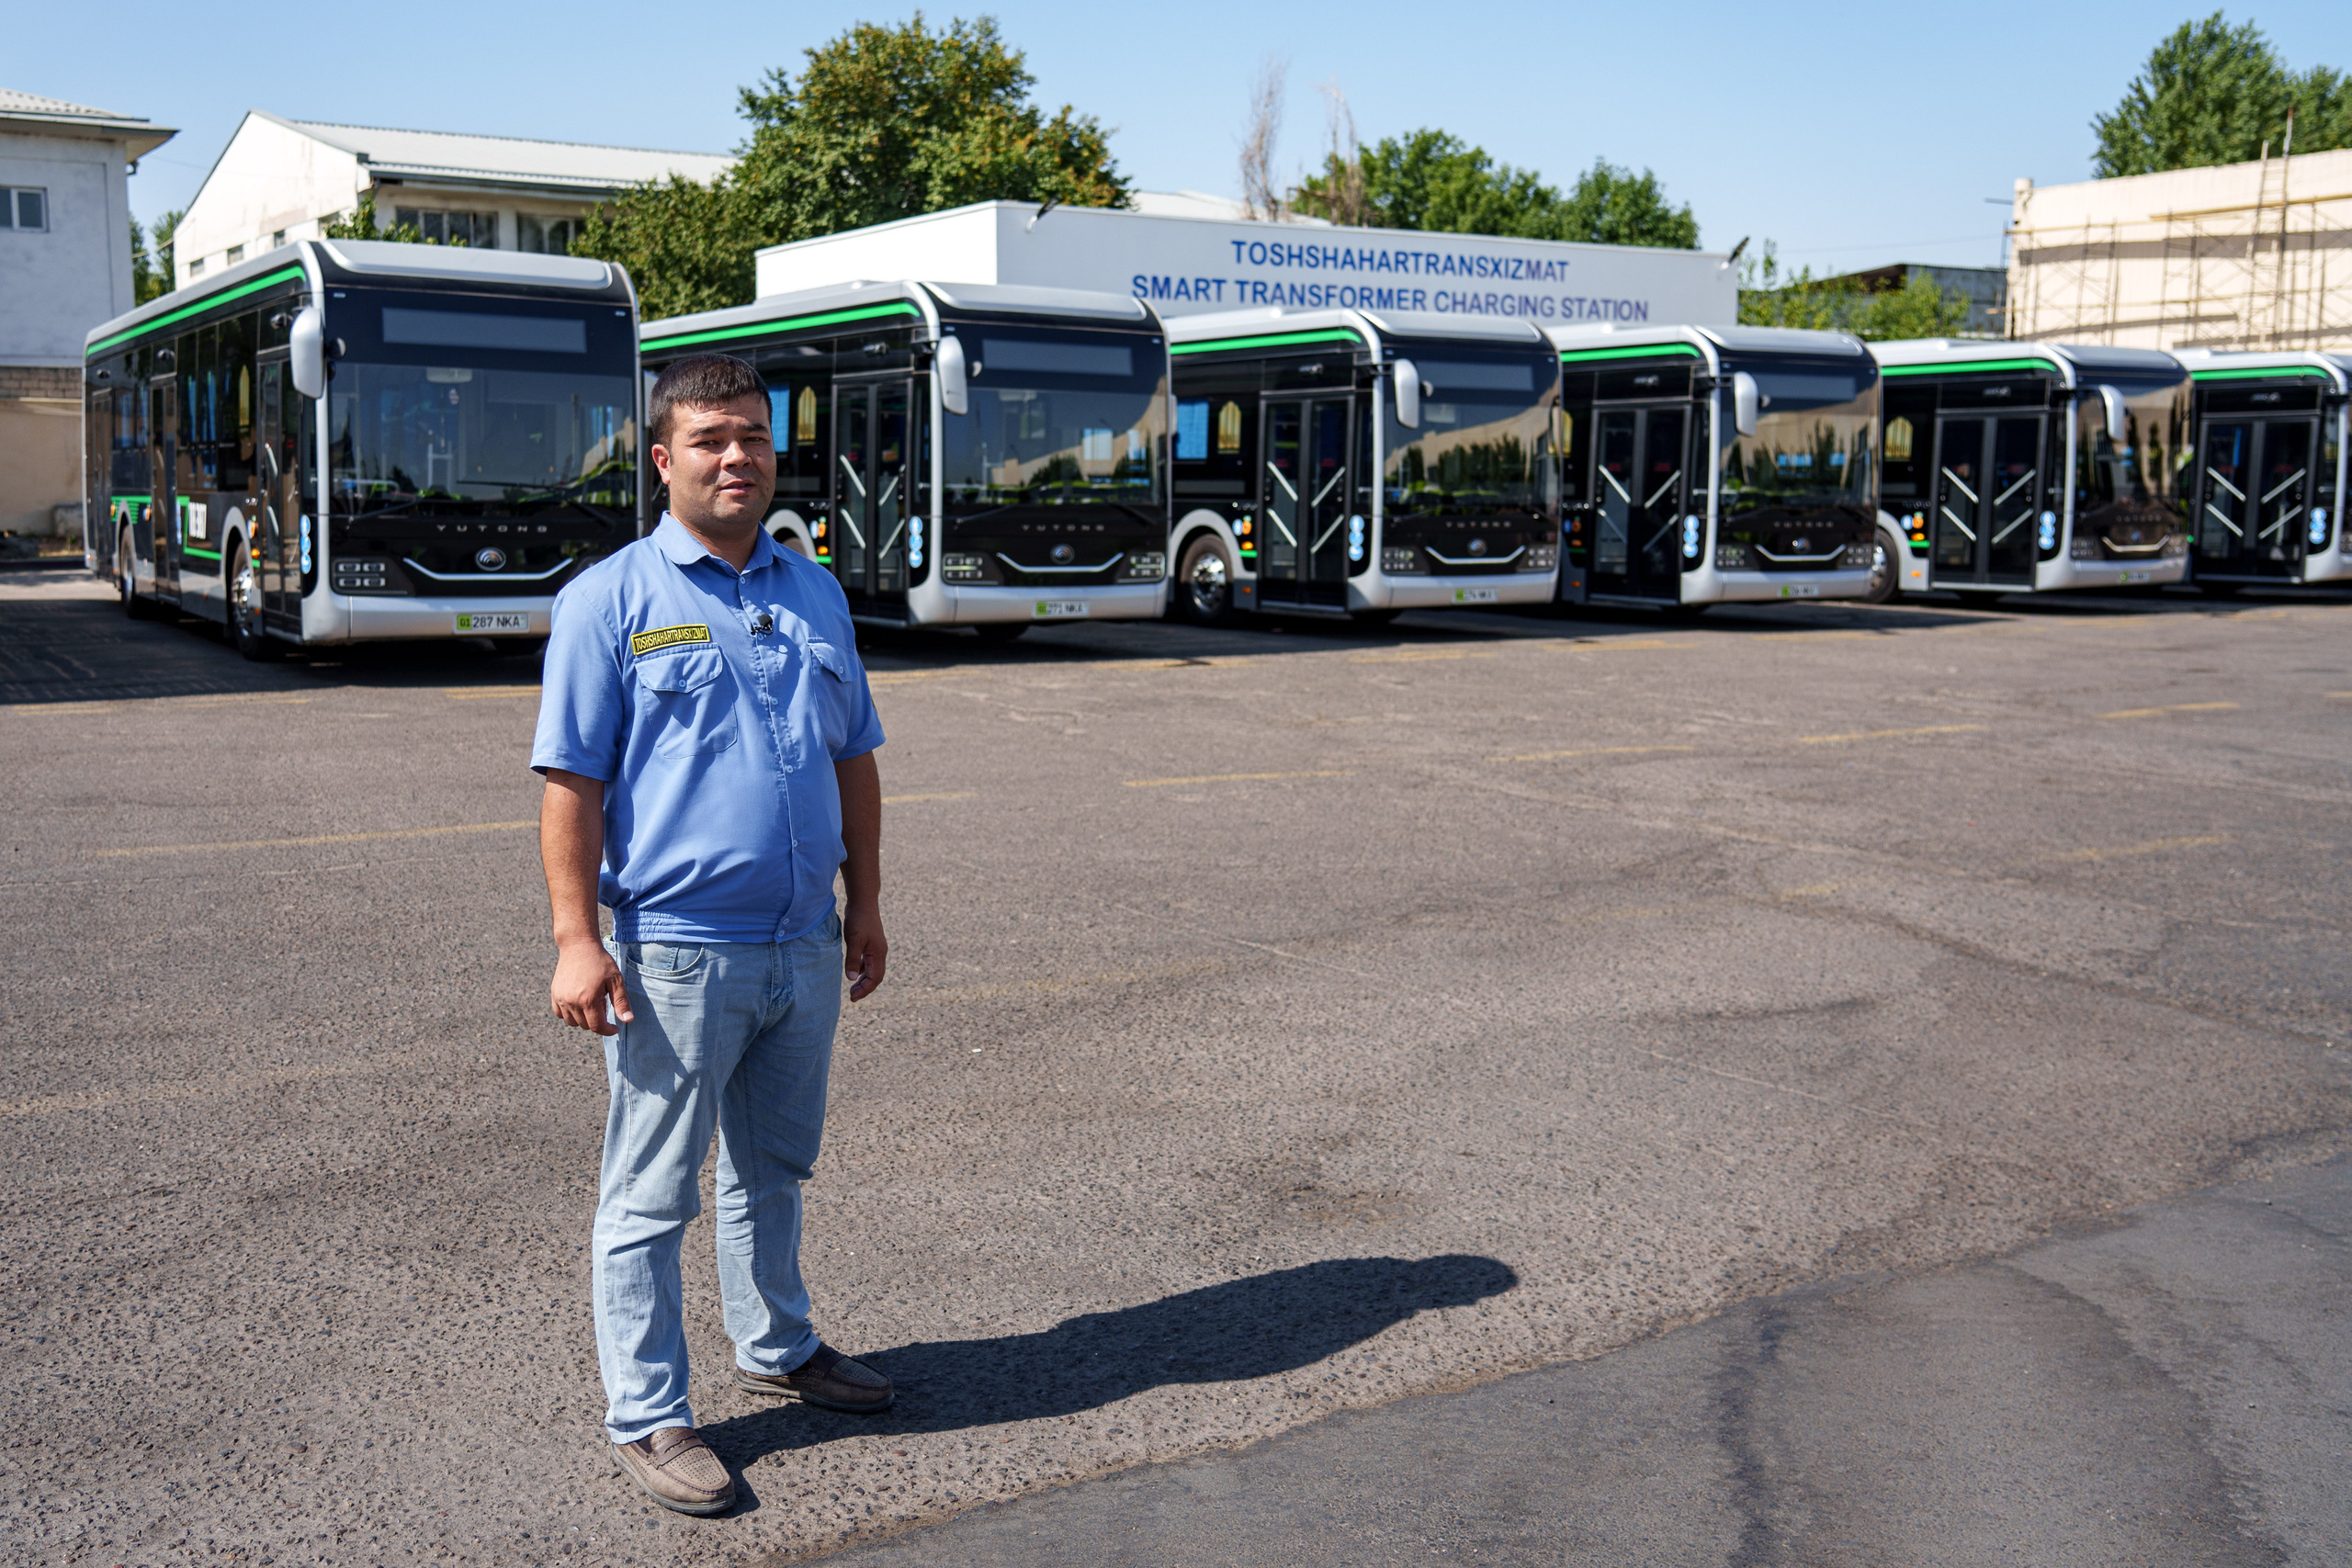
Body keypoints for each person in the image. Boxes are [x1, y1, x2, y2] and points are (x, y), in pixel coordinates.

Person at [532, 352, 893, 1517]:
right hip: (674, 950)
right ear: (661, 459)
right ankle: (647, 1415)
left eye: (750, 436)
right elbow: (570, 784)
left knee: (774, 1170)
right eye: (708, 440)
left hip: (800, 941)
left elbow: (854, 760)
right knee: (649, 1194)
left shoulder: (814, 590)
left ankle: (779, 1346)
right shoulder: (610, 600)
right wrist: (574, 938)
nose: (734, 456)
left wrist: (867, 904)